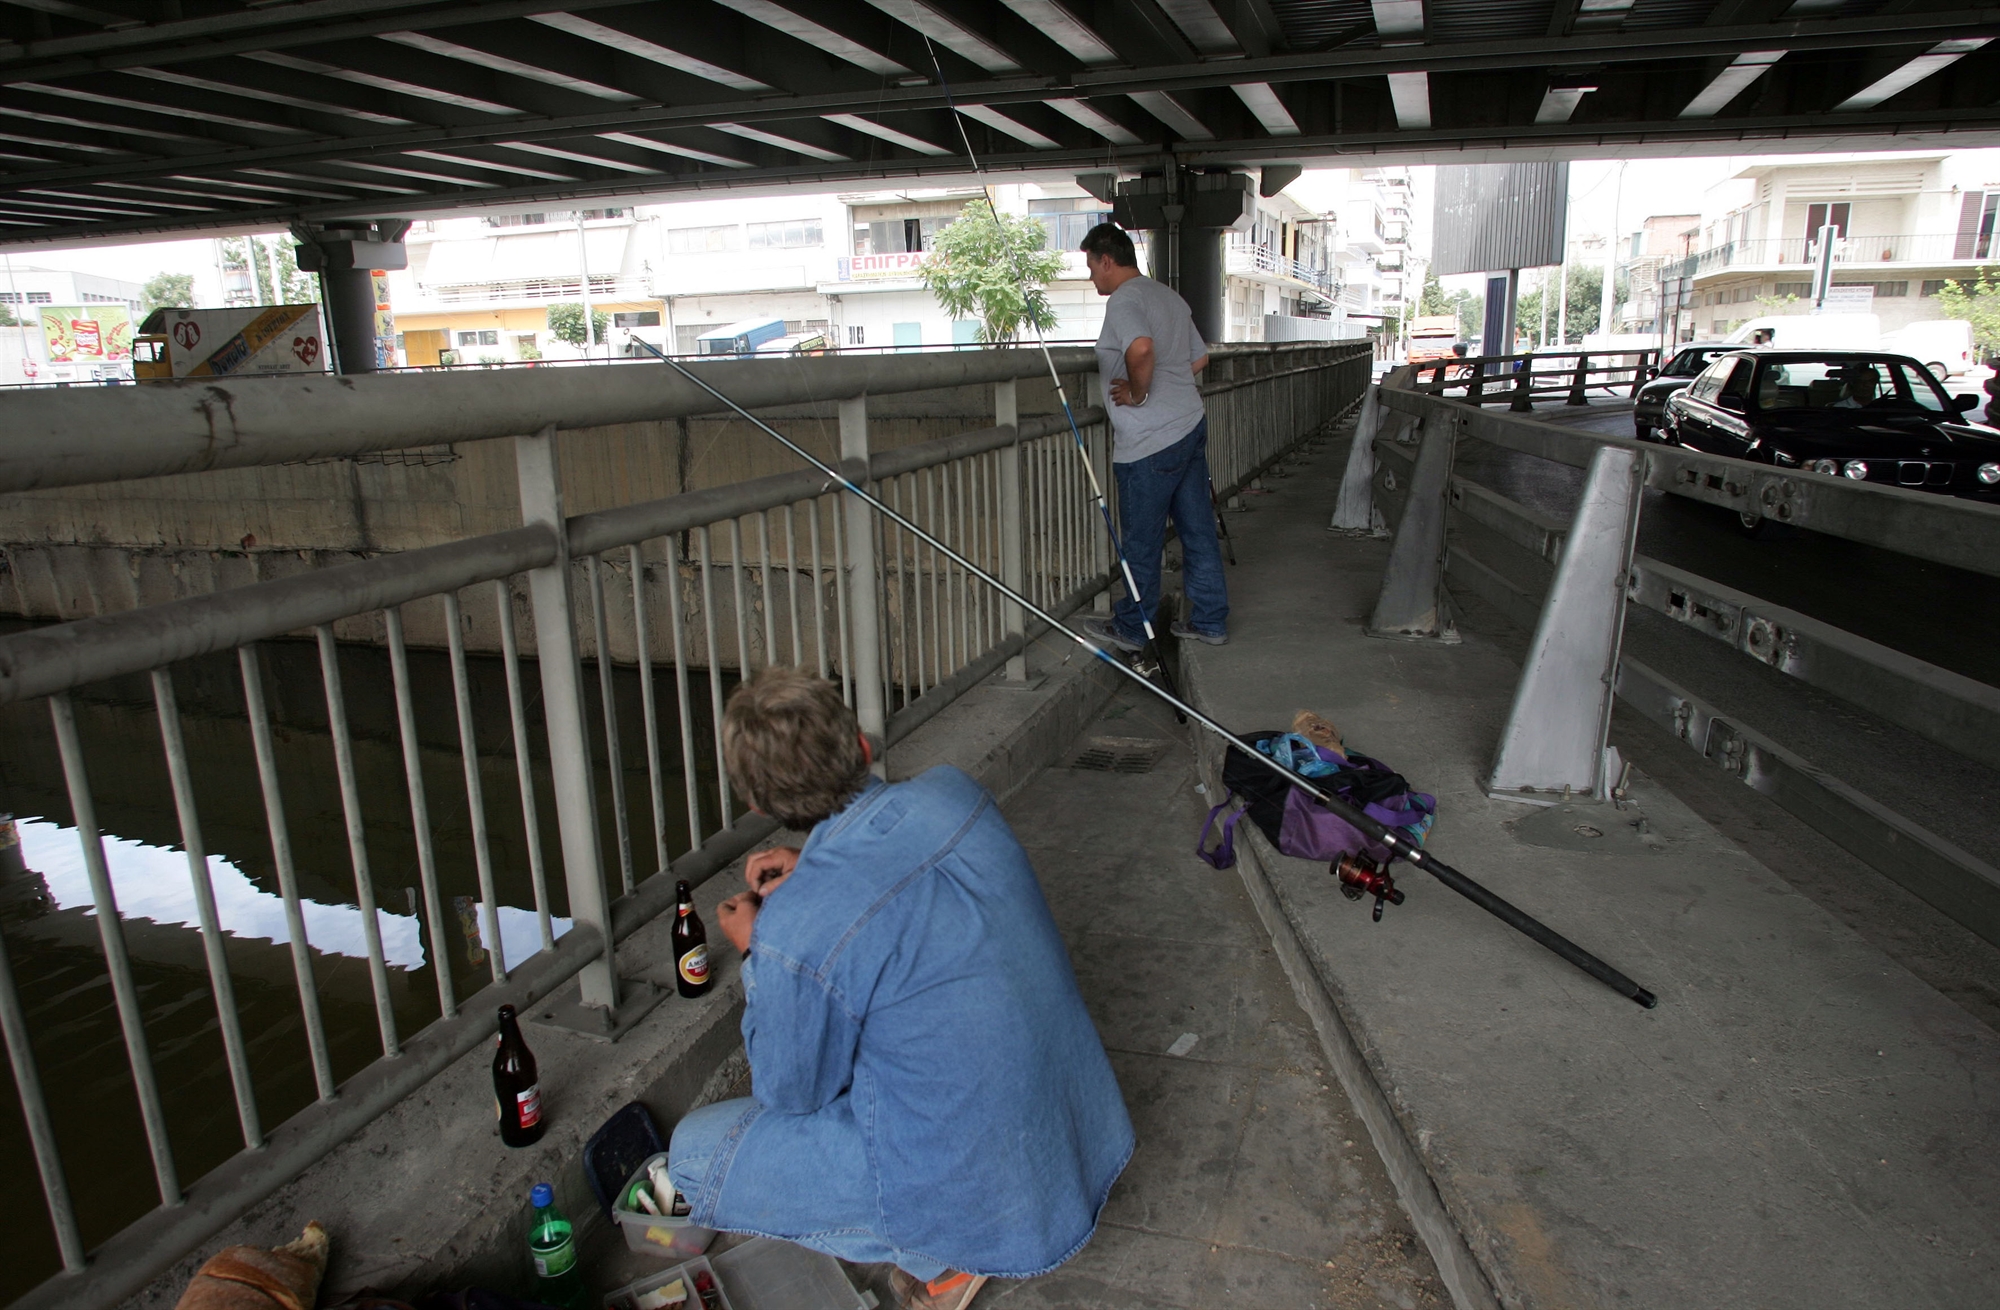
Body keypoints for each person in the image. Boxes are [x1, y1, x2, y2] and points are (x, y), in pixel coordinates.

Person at [667, 668, 1133, 1310]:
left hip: (984, 1192)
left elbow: (793, 1093)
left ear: (758, 806)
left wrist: (758, 950)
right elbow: (895, 873)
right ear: (862, 746)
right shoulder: (955, 791)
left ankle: (944, 1260)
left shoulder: (793, 931)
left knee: (692, 1156)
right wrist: (814, 871)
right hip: (1083, 1131)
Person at [1069, 222, 1229, 652]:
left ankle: (1134, 628)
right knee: (1197, 530)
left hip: (1149, 441)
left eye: (1091, 266)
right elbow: (1199, 358)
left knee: (1142, 541)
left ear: (1107, 260)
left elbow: (1140, 349)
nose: (1091, 276)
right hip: (1188, 424)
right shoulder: (1167, 296)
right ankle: (1210, 620)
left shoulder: (1125, 300)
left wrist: (1139, 393)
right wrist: (1165, 382)